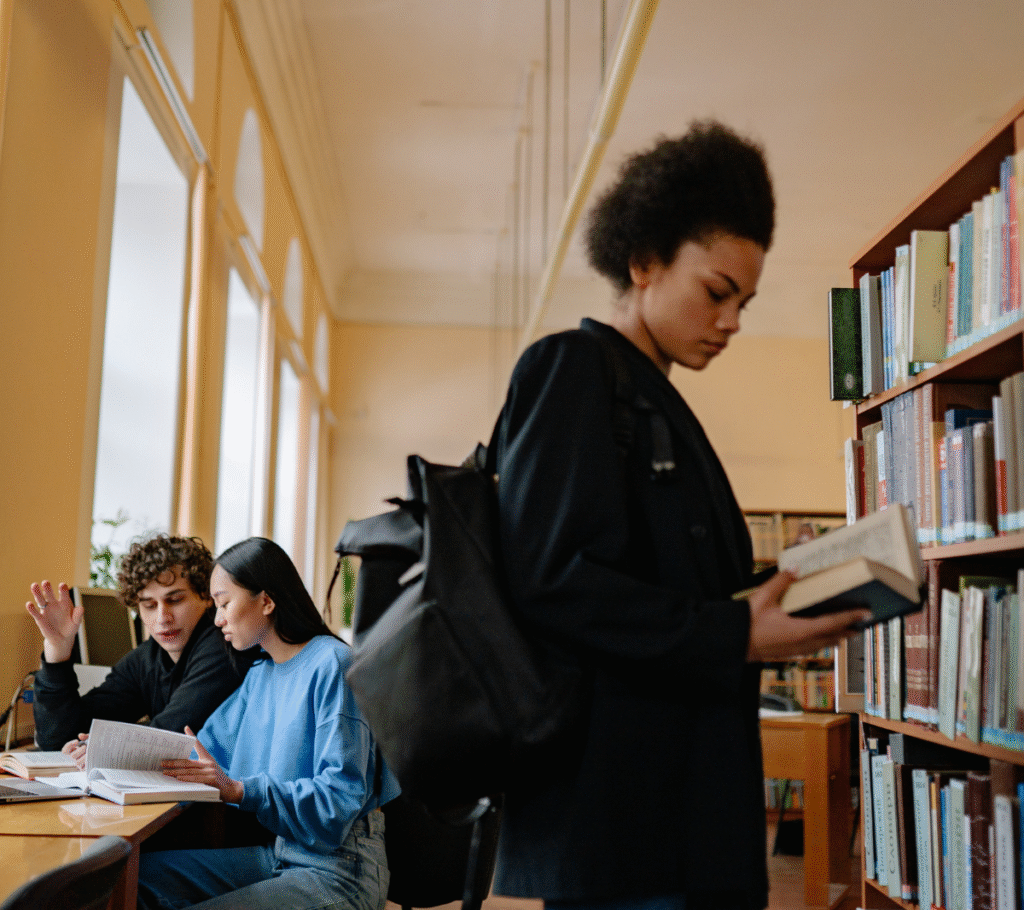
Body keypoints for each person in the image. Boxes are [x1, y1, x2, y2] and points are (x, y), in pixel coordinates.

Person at [489, 121, 868, 910]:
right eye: (717, 293)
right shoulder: (575, 370)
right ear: (644, 262)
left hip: (680, 812)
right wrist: (738, 631)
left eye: (745, 303)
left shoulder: (653, 399)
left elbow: (659, 581)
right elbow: (552, 581)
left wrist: (791, 589)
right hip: (624, 824)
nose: (732, 321)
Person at [137, 536, 399, 910]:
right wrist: (108, 755)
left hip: (342, 870)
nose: (217, 619)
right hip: (281, 853)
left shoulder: (333, 664)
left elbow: (338, 803)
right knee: (135, 877)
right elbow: (201, 754)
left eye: (225, 603)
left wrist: (242, 791)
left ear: (266, 600)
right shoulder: (261, 674)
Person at [28, 534, 253, 762]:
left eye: (175, 600)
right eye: (149, 605)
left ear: (206, 596)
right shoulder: (146, 658)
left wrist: (101, 747)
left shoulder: (223, 645)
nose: (162, 618)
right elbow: (57, 738)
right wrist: (57, 651)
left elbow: (171, 735)